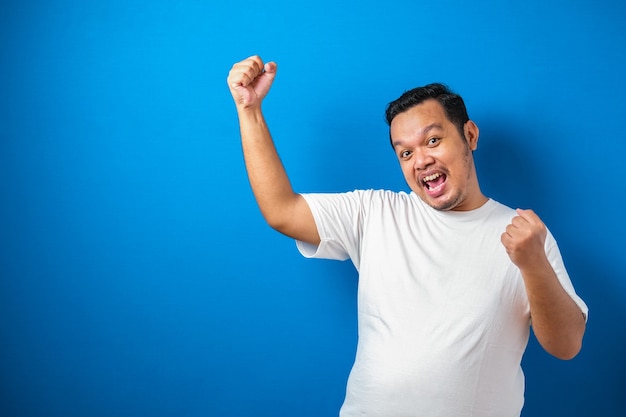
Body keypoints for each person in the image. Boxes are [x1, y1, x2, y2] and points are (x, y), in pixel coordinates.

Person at [226, 55, 588, 417]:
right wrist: (250, 110)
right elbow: (281, 211)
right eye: (406, 152)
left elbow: (566, 345)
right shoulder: (375, 213)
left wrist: (533, 263)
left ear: (470, 135)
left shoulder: (525, 237)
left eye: (433, 140)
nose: (421, 160)